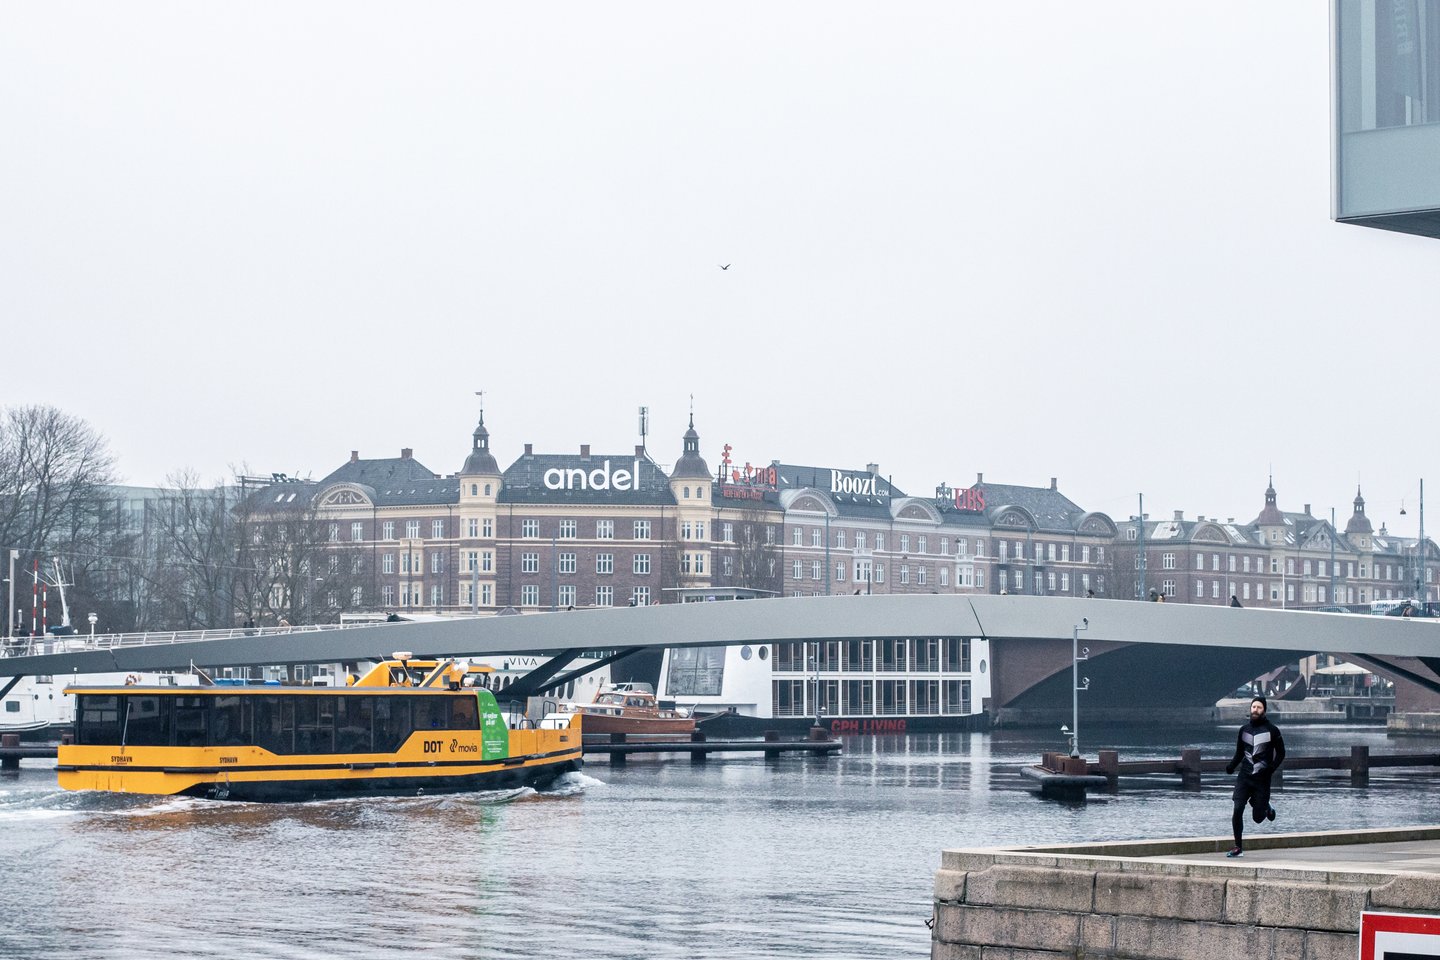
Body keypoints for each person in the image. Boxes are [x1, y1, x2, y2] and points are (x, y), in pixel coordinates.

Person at [1225, 695, 1285, 857]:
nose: (1255, 710)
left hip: (1262, 779)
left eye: (1259, 707)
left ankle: (1266, 807)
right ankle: (1238, 847)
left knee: (1258, 818)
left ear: (1264, 710)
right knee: (1237, 809)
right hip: (1244, 777)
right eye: (1253, 707)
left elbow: (1281, 753)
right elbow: (1239, 753)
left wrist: (1271, 769)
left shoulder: (1272, 730)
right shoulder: (1244, 730)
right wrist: (1231, 766)